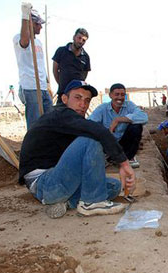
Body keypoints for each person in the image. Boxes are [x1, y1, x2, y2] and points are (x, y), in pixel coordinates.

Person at [18, 80, 136, 219]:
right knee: (91, 138)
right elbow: (98, 131)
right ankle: (93, 202)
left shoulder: (69, 122)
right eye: (77, 98)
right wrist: (124, 163)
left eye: (86, 100)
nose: (83, 105)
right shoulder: (60, 114)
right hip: (45, 184)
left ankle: (67, 202)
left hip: (59, 182)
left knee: (114, 186)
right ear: (64, 99)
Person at [13, 2, 53, 129]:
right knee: (35, 124)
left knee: (49, 119)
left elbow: (41, 66)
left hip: (42, 87)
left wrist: (47, 84)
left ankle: (46, 146)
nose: (40, 27)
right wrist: (25, 15)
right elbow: (25, 41)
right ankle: (33, 147)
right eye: (37, 24)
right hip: (31, 87)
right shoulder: (19, 38)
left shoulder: (38, 42)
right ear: (30, 23)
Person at [89, 83, 148, 168]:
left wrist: (118, 119)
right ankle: (108, 157)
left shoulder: (129, 105)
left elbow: (144, 117)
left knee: (136, 127)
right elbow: (90, 122)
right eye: (117, 94)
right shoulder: (102, 108)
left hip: (124, 143)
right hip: (108, 143)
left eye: (122, 95)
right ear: (110, 95)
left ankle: (128, 158)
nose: (120, 97)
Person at [52, 28, 91, 104]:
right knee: (60, 114)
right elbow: (55, 70)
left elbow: (85, 74)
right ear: (74, 37)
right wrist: (61, 83)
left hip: (78, 95)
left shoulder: (86, 57)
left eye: (83, 40)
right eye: (79, 38)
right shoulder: (61, 51)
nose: (80, 41)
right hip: (63, 92)